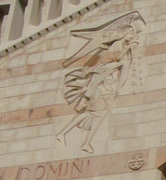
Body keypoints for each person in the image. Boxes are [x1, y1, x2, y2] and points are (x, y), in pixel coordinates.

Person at [58, 13, 143, 154]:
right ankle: (64, 134)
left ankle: (85, 142)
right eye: (131, 33)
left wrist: (118, 88)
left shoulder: (125, 49)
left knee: (99, 113)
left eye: (133, 34)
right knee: (91, 111)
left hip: (110, 83)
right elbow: (112, 63)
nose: (132, 36)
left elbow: (124, 69)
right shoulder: (116, 46)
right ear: (125, 33)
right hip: (102, 81)